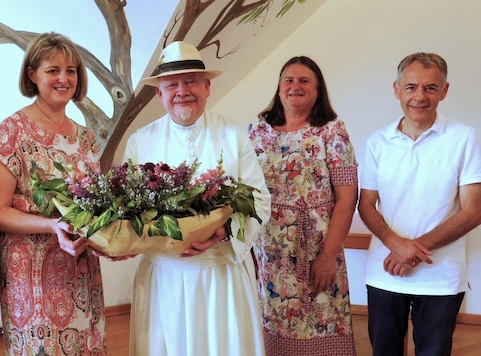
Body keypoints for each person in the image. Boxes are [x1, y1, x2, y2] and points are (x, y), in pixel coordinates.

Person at [123, 40, 272, 356]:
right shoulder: (140, 142)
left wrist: (222, 232)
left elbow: (259, 200)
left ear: (207, 87)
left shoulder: (234, 136)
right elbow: (126, 210)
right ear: (158, 93)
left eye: (191, 81)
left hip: (221, 273)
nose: (182, 91)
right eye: (172, 84)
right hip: (162, 277)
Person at [0, 32, 107, 355]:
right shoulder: (12, 132)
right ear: (32, 75)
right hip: (32, 275)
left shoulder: (86, 139)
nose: (64, 78)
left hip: (81, 271)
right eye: (53, 70)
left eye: (71, 70)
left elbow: (95, 205)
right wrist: (52, 226)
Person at [358, 52, 481, 356]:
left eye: (430, 87)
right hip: (384, 271)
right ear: (396, 89)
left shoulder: (465, 138)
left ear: (444, 91)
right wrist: (395, 244)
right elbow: (367, 205)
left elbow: (473, 211)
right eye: (411, 87)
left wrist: (411, 250)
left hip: (441, 277)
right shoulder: (377, 141)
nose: (419, 96)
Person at [248, 56, 358, 355]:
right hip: (270, 254)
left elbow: (347, 197)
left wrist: (328, 256)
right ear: (279, 88)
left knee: (322, 317)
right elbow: (245, 193)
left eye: (304, 80)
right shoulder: (257, 132)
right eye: (289, 80)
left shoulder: (332, 132)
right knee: (273, 321)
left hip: (317, 249)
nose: (295, 86)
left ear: (318, 89)